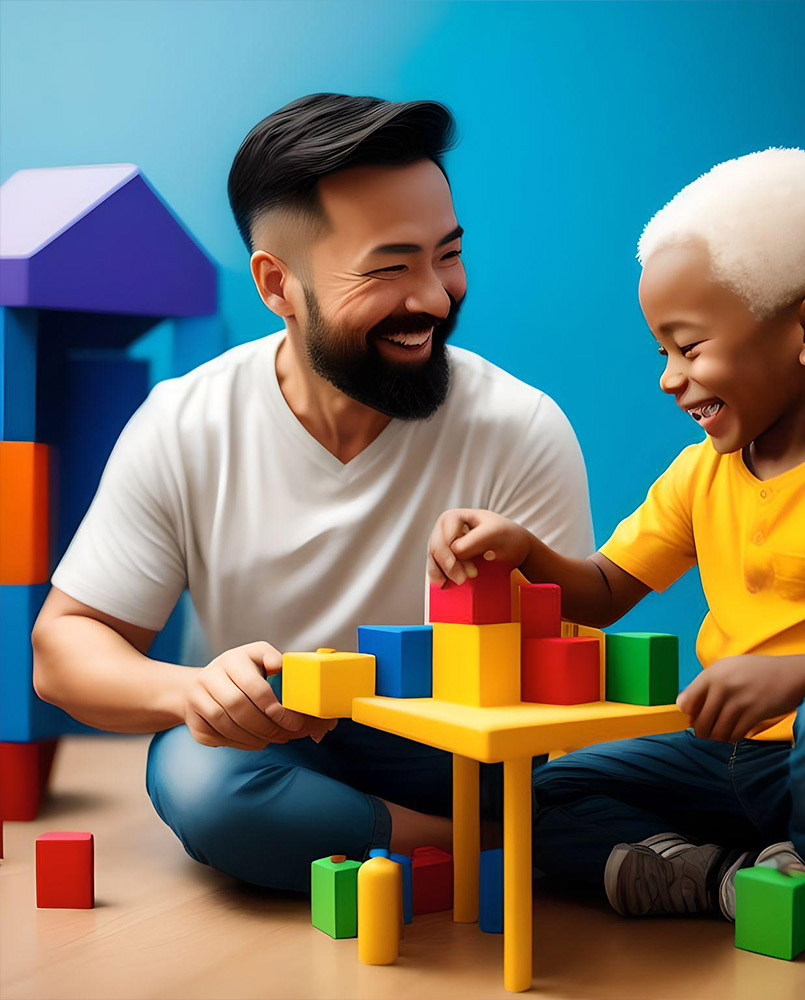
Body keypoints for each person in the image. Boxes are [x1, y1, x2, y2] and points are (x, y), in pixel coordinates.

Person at [32, 93, 594, 892]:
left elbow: (561, 692)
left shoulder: (520, 426)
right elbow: (63, 650)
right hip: (277, 759)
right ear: (277, 285)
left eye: (447, 255)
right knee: (203, 780)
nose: (435, 299)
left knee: (571, 776)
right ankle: (493, 849)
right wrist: (192, 690)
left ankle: (415, 843)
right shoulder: (186, 423)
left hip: (458, 751)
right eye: (390, 268)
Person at [426, 148, 805, 925]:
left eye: (689, 347)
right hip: (730, 756)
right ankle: (725, 879)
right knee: (540, 795)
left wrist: (794, 680)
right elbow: (601, 592)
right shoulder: (702, 474)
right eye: (662, 352)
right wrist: (525, 550)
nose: (668, 376)